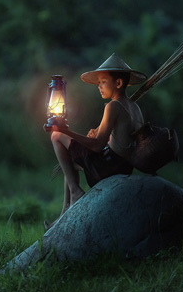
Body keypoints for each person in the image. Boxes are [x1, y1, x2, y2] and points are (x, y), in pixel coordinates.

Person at [44, 53, 147, 231]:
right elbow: (118, 138)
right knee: (69, 164)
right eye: (98, 83)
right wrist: (95, 134)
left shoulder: (112, 106)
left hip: (108, 166)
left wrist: (65, 131)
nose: (99, 86)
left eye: (103, 82)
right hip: (123, 165)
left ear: (119, 83)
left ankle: (76, 193)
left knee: (55, 136)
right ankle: (64, 214)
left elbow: (98, 145)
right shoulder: (134, 107)